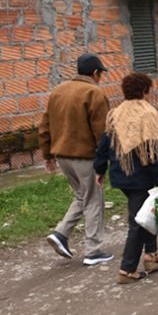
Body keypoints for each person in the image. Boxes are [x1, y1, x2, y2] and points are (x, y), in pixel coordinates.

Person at [94, 72, 158, 284]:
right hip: (140, 176)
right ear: (145, 90)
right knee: (138, 222)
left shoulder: (115, 113)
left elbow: (104, 145)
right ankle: (127, 270)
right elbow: (151, 150)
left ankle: (151, 255)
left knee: (150, 211)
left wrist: (99, 170)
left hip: (121, 174)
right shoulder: (146, 113)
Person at [39, 52, 113, 266]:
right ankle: (93, 250)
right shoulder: (94, 93)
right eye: (101, 73)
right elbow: (103, 133)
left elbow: (44, 126)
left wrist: (47, 155)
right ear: (96, 73)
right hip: (85, 157)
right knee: (93, 199)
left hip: (62, 156)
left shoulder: (58, 91)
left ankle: (61, 233)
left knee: (83, 196)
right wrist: (104, 162)